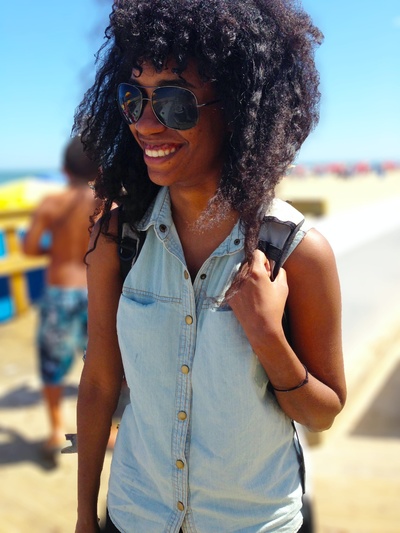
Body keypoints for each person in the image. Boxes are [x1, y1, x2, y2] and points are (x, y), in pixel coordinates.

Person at [74, 1, 347, 531]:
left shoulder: (296, 252)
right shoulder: (118, 238)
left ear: (240, 108)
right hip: (135, 515)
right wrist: (86, 517)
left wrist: (268, 336)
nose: (146, 124)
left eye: (174, 102)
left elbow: (323, 413)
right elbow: (101, 383)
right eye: (134, 98)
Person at [23, 136, 100, 460]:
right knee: (100, 363)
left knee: (52, 363)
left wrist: (54, 251)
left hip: (59, 290)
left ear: (64, 169)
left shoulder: (51, 203)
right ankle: (106, 430)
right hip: (96, 291)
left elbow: (29, 247)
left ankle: (56, 430)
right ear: (97, 170)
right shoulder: (106, 204)